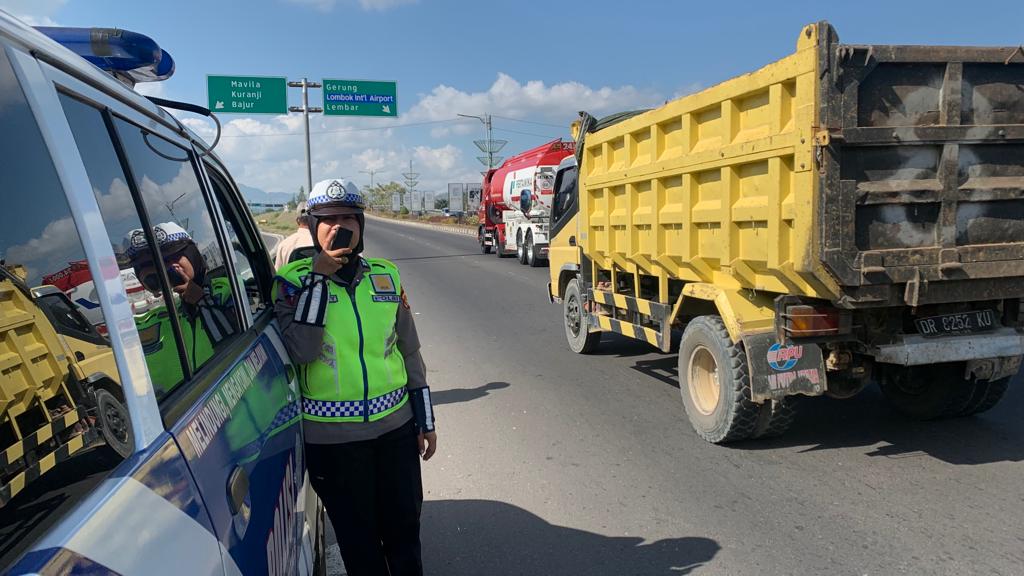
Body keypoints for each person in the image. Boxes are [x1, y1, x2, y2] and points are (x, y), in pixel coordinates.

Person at [273, 179, 437, 576]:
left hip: (396, 431)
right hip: (334, 443)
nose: (338, 227)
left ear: (361, 224)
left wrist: (425, 419)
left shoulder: (386, 276)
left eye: (348, 218)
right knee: (358, 542)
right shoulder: (292, 282)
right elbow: (303, 350)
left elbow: (409, 350)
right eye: (327, 220)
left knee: (405, 532)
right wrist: (318, 277)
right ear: (314, 226)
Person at [125, 222, 237, 394]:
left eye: (170, 258)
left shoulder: (227, 291)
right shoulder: (152, 320)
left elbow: (233, 345)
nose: (162, 269)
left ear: (193, 256)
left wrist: (202, 301)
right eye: (147, 265)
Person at [273, 203, 315, 269]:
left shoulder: (284, 245)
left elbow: (278, 273)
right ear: (314, 220)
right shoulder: (324, 242)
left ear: (297, 221)